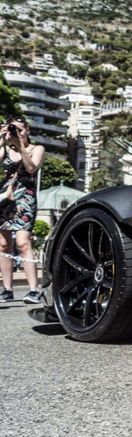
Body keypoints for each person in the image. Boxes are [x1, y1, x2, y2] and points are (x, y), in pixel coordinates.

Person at [0, 119, 45, 304]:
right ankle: (7, 289)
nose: (16, 132)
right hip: (5, 199)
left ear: (27, 130)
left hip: (25, 199)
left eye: (19, 129)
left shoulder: (37, 149)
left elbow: (31, 168)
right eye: (13, 129)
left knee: (23, 243)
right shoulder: (6, 149)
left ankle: (34, 289)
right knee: (2, 245)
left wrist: (21, 147)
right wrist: (2, 141)